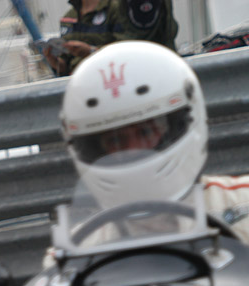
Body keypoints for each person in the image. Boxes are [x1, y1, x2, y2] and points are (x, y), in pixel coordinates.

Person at [59, 40, 249, 235]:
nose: (133, 149)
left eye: (146, 132)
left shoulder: (243, 207)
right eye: (115, 140)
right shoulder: (78, 248)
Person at [43, 0, 178, 76]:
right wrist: (52, 59)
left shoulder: (118, 8)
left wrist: (90, 52)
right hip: (79, 86)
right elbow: (64, 67)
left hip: (112, 82)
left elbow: (129, 52)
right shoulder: (69, 17)